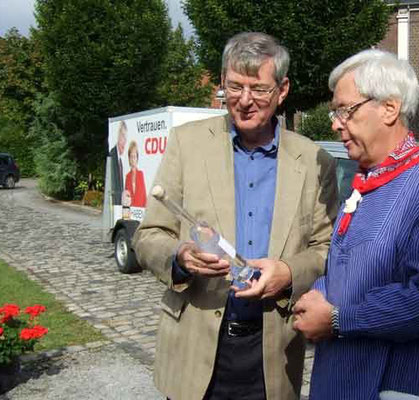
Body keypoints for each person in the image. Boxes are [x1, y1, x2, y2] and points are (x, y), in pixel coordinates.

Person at [132, 32, 338, 400]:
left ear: (283, 89)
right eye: (234, 87)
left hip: (272, 352)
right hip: (194, 348)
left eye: (258, 89)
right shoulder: (186, 144)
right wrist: (179, 256)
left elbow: (328, 249)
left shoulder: (314, 160)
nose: (244, 101)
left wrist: (289, 272)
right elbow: (149, 236)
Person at [293, 49, 419, 399]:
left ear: (389, 108)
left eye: (345, 110)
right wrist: (320, 290)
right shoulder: (370, 181)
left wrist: (337, 320)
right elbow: (358, 268)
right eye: (335, 112)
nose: (335, 123)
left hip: (400, 385)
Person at [124, 140, 147, 207]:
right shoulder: (127, 176)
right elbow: (126, 198)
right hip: (130, 211)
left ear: (137, 158)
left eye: (134, 157)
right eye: (131, 157)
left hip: (140, 211)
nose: (133, 159)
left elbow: (144, 196)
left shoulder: (140, 174)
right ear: (129, 159)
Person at [109, 120, 127, 205]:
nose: (125, 141)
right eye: (123, 136)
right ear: (118, 136)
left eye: (126, 138)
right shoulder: (112, 156)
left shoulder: (120, 160)